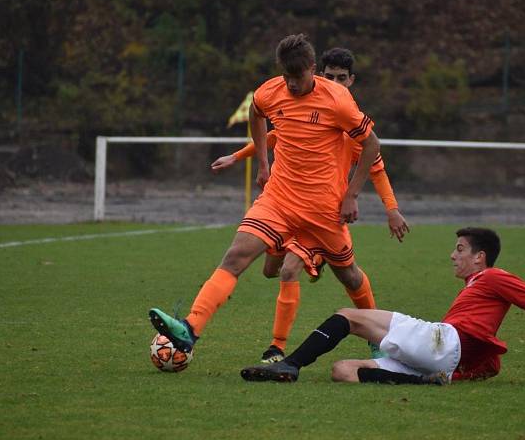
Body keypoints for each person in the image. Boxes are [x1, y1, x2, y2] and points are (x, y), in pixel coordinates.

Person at [149, 34, 382, 362]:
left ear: (312, 70)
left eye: (297, 77)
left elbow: (372, 145)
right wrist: (262, 163)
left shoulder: (338, 101)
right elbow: (257, 115)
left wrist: (351, 195)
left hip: (323, 209)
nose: (291, 84)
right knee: (235, 256)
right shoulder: (271, 91)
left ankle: (378, 336)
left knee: (350, 275)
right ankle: (190, 329)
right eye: (286, 76)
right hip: (279, 199)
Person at [210, 47, 409, 363]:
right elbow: (275, 136)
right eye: (329, 77)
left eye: (341, 78)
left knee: (316, 273)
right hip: (288, 203)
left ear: (352, 81)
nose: (334, 82)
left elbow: (377, 168)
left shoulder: (349, 119)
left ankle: (283, 347)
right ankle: (314, 262)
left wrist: (391, 208)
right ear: (318, 74)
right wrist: (237, 156)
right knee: (270, 270)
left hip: (326, 213)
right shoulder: (308, 105)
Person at [240, 227, 525, 384]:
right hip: (442, 359)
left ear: (480, 258)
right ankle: (424, 383)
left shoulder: (493, 277)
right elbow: (487, 361)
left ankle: (288, 365)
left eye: (460, 250)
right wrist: (460, 373)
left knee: (348, 316)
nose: (452, 256)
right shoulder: (478, 288)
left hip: (443, 341)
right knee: (343, 371)